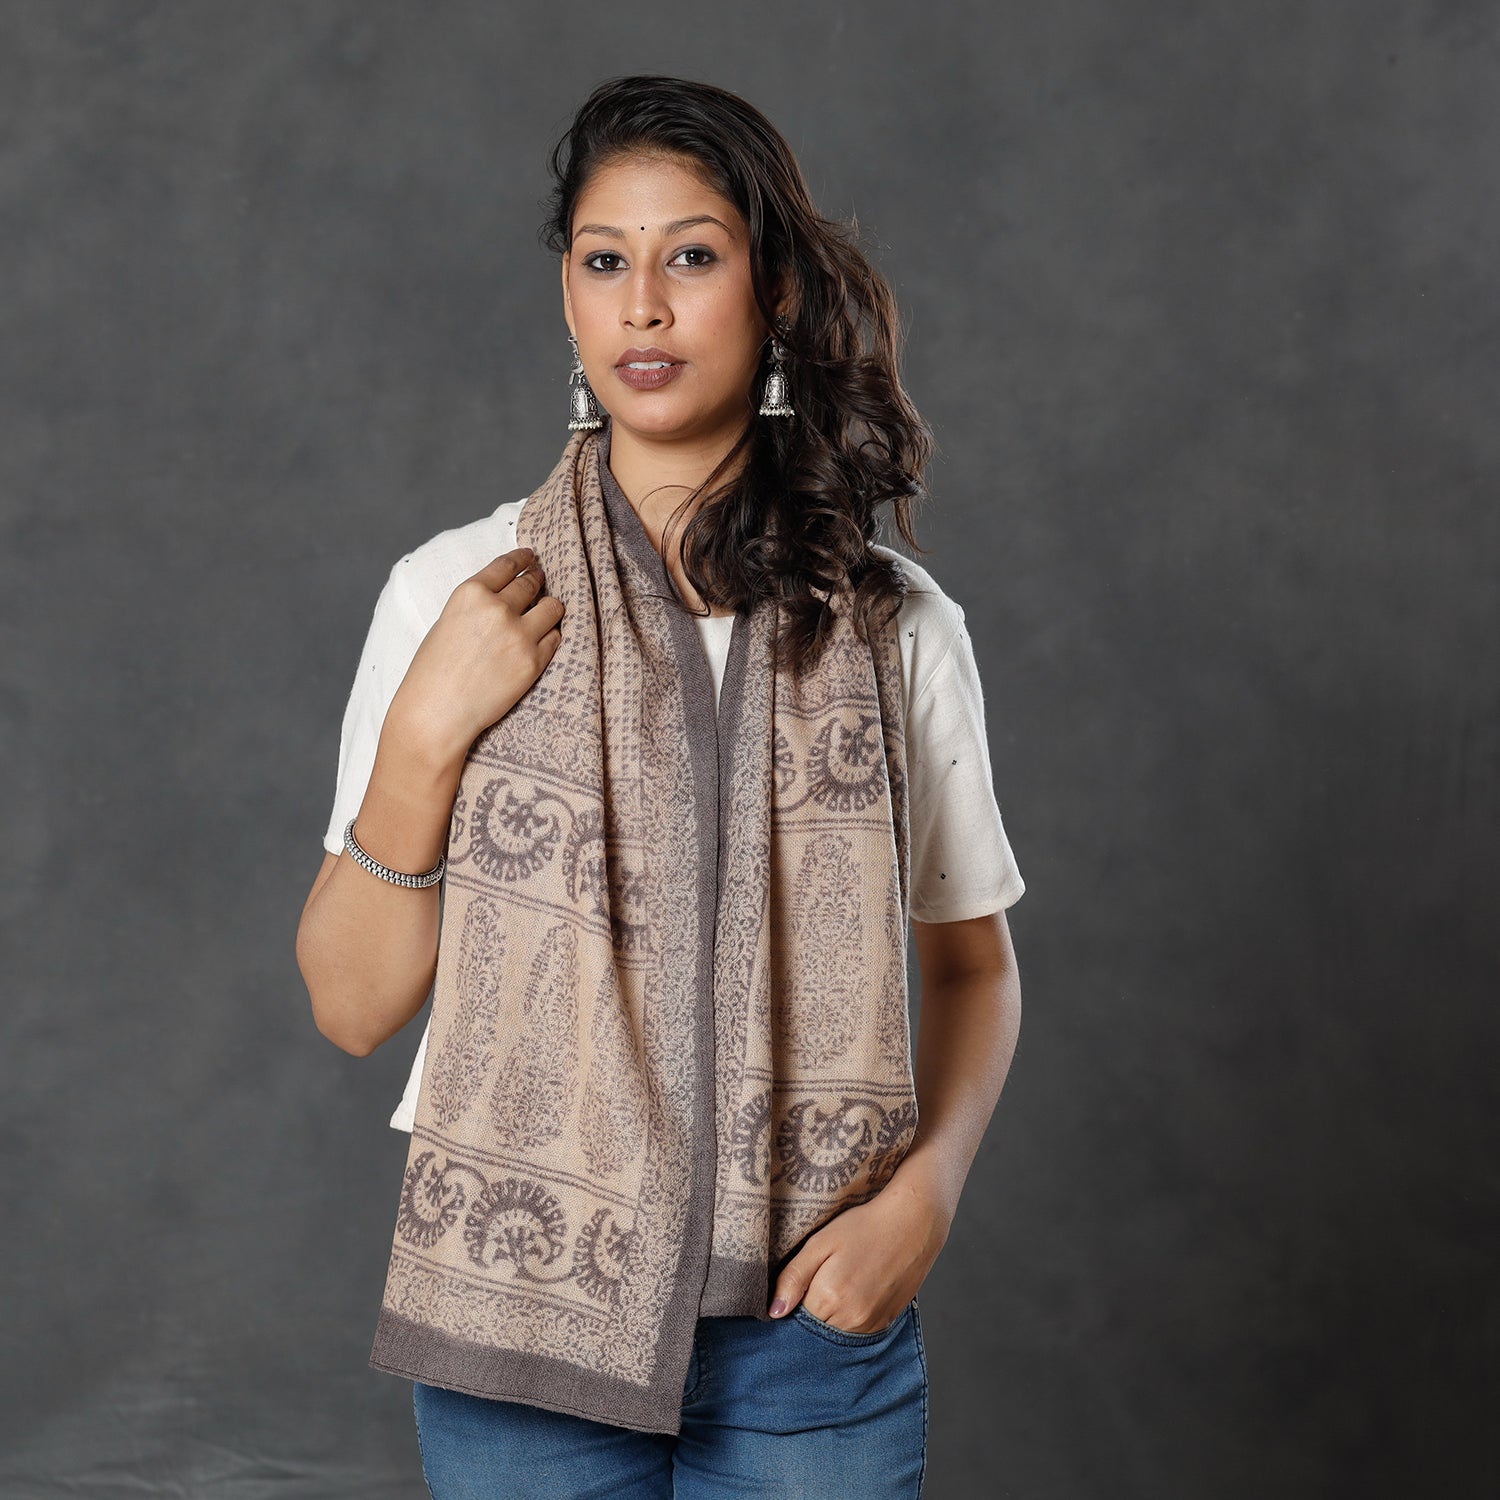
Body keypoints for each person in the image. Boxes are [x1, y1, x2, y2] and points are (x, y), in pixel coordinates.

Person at [296, 74, 1024, 1500]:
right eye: (603, 261)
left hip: (807, 1320)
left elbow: (973, 966)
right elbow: (350, 1005)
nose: (643, 305)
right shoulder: (457, 596)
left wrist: (927, 1199)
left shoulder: (893, 628)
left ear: (774, 291)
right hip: (520, 1326)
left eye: (691, 255)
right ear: (566, 299)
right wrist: (426, 733)